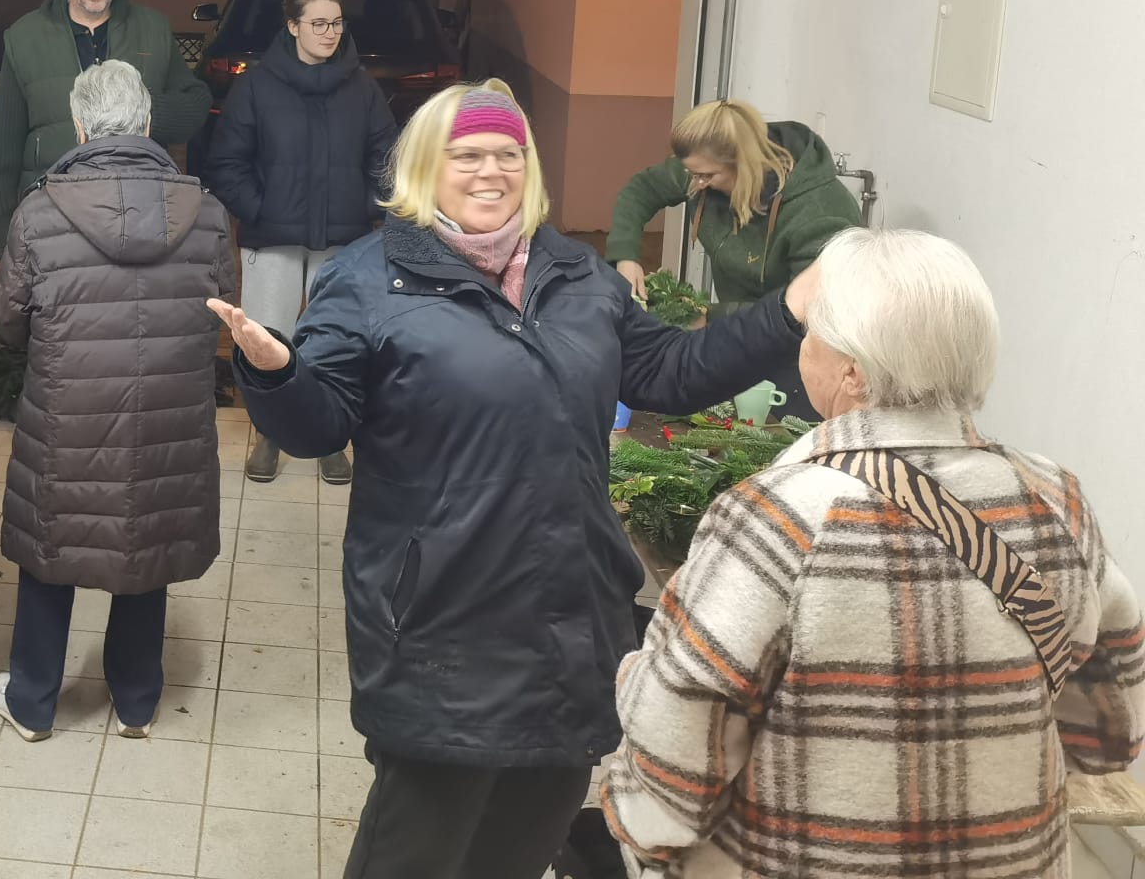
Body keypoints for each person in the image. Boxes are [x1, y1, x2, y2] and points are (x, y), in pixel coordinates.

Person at [210, 81, 808, 879]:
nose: (491, 171)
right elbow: (319, 424)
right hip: (442, 631)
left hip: (572, 622)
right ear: (426, 167)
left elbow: (672, 370)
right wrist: (277, 372)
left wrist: (788, 311)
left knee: (519, 852)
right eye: (467, 156)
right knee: (415, 858)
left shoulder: (579, 276)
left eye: (508, 154)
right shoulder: (368, 280)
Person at [604, 228, 1145, 879]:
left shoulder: (777, 517)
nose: (801, 347)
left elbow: (676, 751)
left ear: (851, 372)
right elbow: (1112, 734)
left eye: (812, 332)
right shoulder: (1057, 499)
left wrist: (646, 840)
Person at [0, 60, 234, 740]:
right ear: (147, 123)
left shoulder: (40, 213)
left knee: (52, 544)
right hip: (169, 411)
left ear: (80, 126)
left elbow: (6, 320)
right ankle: (136, 702)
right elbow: (221, 308)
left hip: (69, 412)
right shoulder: (207, 213)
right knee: (145, 541)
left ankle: (33, 703)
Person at [205, 0, 394, 486]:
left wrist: (365, 207)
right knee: (267, 337)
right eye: (319, 23)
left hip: (344, 240)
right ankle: (270, 433)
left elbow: (387, 159)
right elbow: (227, 162)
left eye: (337, 23)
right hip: (273, 237)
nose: (330, 32)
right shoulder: (257, 86)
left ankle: (330, 437)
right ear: (292, 26)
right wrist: (261, 209)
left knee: (338, 341)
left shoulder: (363, 89)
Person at [607, 99, 858, 414]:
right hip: (739, 340)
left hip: (801, 355)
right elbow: (641, 190)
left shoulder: (820, 211)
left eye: (706, 176)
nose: (696, 184)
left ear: (745, 164)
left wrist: (711, 317)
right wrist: (625, 255)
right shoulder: (704, 165)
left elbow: (809, 310)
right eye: (691, 174)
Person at [0, 0, 211, 261]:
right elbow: (4, 143)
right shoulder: (25, 37)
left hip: (137, 214)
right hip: (52, 214)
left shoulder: (152, 29)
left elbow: (196, 103)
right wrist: (0, 241)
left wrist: (143, 115)